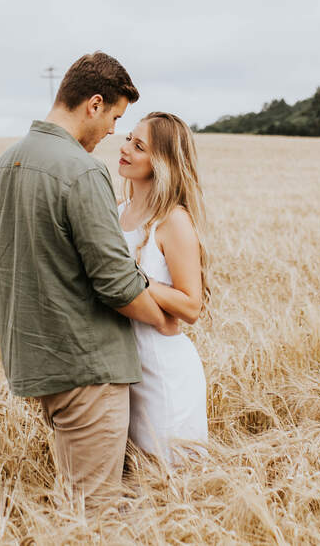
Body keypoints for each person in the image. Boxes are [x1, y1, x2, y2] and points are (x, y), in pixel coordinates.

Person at [0, 52, 178, 509]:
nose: (113, 131)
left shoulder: (3, 166)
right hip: (88, 367)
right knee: (95, 514)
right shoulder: (82, 170)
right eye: (114, 116)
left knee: (75, 505)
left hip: (37, 363)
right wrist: (163, 322)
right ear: (93, 104)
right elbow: (116, 283)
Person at [116, 112, 209, 464]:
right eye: (128, 138)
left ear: (162, 162)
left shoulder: (173, 220)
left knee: (167, 485)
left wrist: (137, 280)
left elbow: (191, 307)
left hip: (163, 372)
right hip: (122, 367)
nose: (125, 149)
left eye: (138, 146)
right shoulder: (116, 211)